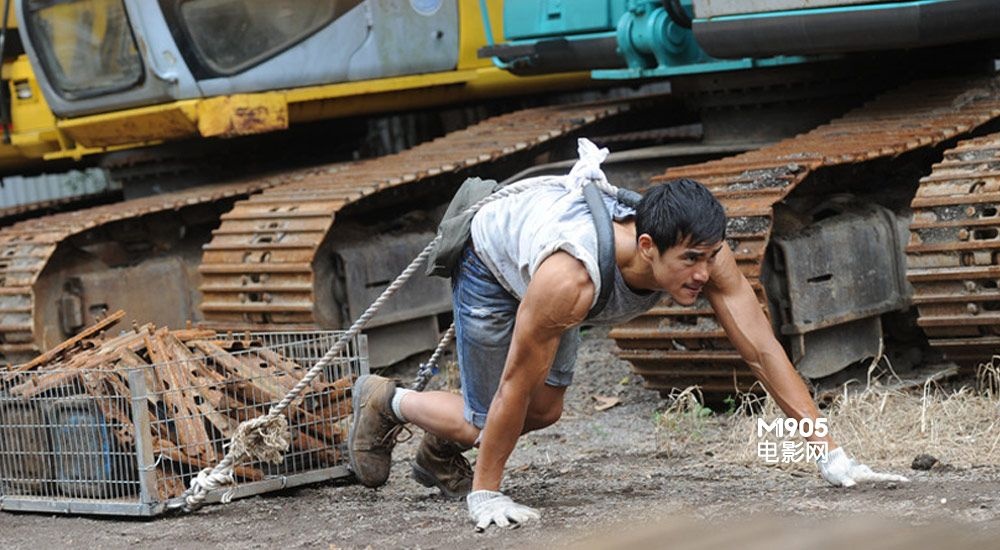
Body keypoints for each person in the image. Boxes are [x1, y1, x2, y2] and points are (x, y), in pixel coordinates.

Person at [348, 140, 908, 532]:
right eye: (689, 261)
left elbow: (762, 349)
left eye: (708, 258)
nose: (702, 274)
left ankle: (438, 443)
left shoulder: (703, 255)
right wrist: (488, 493)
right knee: (489, 418)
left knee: (543, 413)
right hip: (494, 266)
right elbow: (515, 380)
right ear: (647, 249)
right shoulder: (569, 280)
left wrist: (829, 455)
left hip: (546, 256)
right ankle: (386, 401)